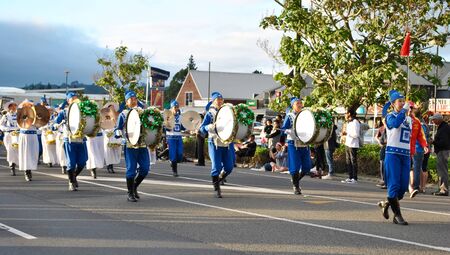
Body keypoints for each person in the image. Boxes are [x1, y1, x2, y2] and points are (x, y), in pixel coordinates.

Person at [377, 90, 411, 225]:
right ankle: (398, 216)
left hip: (406, 155)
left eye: (403, 101)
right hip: (392, 155)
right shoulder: (390, 117)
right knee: (394, 186)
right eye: (400, 101)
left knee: (402, 189)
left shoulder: (408, 119)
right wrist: (403, 112)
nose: (402, 104)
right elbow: (395, 124)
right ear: (393, 104)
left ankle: (386, 204)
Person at [114, 91, 150, 202]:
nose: (134, 100)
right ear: (127, 102)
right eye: (131, 99)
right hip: (130, 145)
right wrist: (118, 133)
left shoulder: (143, 112)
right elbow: (118, 128)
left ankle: (134, 187)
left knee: (145, 168)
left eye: (135, 98)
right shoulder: (124, 114)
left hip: (142, 145)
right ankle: (130, 193)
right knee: (131, 170)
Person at [199, 92, 234, 198]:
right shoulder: (210, 113)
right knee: (216, 166)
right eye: (217, 99)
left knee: (229, 167)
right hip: (214, 142)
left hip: (226, 143)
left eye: (221, 99)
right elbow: (201, 128)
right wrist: (208, 127)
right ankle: (216, 188)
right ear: (214, 101)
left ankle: (218, 180)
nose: (220, 101)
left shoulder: (227, 111)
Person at [54, 92, 88, 191]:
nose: (74, 100)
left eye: (75, 98)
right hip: (69, 140)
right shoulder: (64, 112)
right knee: (71, 163)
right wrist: (58, 124)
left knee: (82, 162)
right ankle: (71, 181)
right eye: (72, 98)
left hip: (81, 140)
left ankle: (73, 177)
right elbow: (54, 125)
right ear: (68, 101)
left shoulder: (84, 111)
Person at [281, 97, 312, 195]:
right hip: (293, 144)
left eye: (300, 103)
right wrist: (288, 131)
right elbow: (283, 129)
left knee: (307, 167)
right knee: (295, 166)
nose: (299, 105)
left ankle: (295, 180)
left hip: (305, 144)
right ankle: (296, 186)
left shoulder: (306, 115)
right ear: (293, 105)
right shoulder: (290, 116)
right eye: (297, 103)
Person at [408, 103, 429, 198]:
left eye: (411, 109)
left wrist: (424, 145)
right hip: (402, 149)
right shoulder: (400, 119)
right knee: (406, 168)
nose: (410, 110)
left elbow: (421, 135)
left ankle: (415, 187)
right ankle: (405, 186)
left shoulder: (417, 122)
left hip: (416, 149)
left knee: (416, 168)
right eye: (408, 108)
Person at [17, 99, 40, 181]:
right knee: (25, 154)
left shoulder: (35, 114)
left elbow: (39, 125)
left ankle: (30, 169)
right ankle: (27, 171)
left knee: (33, 153)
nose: (29, 106)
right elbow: (20, 124)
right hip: (25, 136)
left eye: (30, 105)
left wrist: (37, 119)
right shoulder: (20, 114)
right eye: (27, 105)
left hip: (33, 135)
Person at [430, 113, 450, 196]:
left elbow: (444, 142)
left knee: (442, 171)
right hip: (442, 151)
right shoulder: (443, 127)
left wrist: (433, 142)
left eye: (434, 119)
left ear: (439, 119)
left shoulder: (444, 128)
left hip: (443, 151)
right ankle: (441, 188)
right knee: (441, 170)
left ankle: (444, 189)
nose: (432, 121)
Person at [165, 100, 185, 177]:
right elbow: (166, 128)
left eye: (177, 107)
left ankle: (172, 161)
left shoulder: (180, 117)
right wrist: (167, 126)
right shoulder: (167, 117)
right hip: (171, 137)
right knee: (173, 155)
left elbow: (183, 126)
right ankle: (174, 171)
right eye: (175, 107)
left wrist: (190, 125)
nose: (176, 108)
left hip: (179, 137)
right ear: (171, 108)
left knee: (180, 154)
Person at [341, 109, 360, 184]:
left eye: (345, 113)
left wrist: (347, 133)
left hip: (353, 144)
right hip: (348, 143)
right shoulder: (349, 122)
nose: (345, 115)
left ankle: (354, 178)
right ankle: (350, 177)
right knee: (348, 161)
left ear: (349, 113)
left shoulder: (355, 122)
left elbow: (356, 134)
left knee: (353, 161)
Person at [0, 101, 19, 175]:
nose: (13, 107)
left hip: (17, 134)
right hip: (8, 135)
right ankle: (12, 166)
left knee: (16, 150)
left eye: (14, 106)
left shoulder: (18, 115)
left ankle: (15, 163)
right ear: (9, 107)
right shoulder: (6, 116)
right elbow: (1, 125)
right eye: (12, 106)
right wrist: (7, 129)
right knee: (10, 150)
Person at [102, 103, 121, 173]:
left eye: (113, 108)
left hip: (114, 135)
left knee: (114, 151)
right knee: (108, 151)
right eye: (110, 108)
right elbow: (103, 125)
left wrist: (114, 121)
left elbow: (118, 125)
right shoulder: (104, 116)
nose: (112, 109)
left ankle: (111, 165)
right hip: (107, 135)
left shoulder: (117, 115)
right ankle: (108, 166)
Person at [420, 113, 432, 192]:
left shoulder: (421, 125)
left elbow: (422, 137)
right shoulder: (425, 125)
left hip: (422, 148)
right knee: (423, 167)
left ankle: (422, 187)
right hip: (426, 147)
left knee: (421, 167)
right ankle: (422, 187)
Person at [375, 119, 387, 188]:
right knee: (382, 163)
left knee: (386, 164)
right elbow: (376, 136)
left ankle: (386, 181)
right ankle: (383, 180)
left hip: (388, 147)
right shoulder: (381, 128)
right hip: (383, 147)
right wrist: (379, 143)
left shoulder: (390, 127)